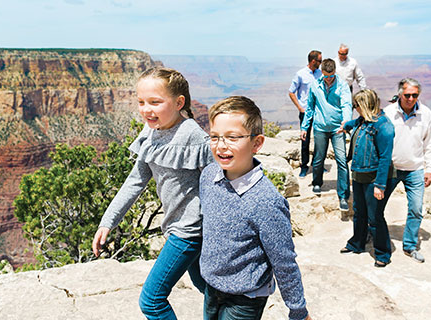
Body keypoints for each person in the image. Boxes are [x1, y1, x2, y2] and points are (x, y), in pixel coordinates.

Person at [92, 67, 215, 319]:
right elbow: (135, 180)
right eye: (141, 102)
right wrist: (108, 221)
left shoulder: (193, 136)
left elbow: (217, 183)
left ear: (179, 102)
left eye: (155, 102)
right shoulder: (150, 131)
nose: (147, 109)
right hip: (176, 227)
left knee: (152, 300)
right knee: (207, 288)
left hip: (190, 231)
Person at [200, 96, 311, 320]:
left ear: (257, 143)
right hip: (211, 288)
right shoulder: (208, 175)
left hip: (245, 298)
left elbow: (284, 261)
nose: (221, 145)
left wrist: (298, 311)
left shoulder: (266, 202)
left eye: (232, 137)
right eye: (214, 137)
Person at [338, 89, 395, 267]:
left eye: (357, 106)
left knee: (375, 217)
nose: (356, 109)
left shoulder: (384, 126)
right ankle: (357, 243)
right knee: (359, 212)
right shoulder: (364, 120)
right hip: (359, 174)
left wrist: (380, 185)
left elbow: (385, 158)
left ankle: (383, 253)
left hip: (373, 179)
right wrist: (345, 126)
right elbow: (353, 123)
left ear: (365, 106)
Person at [383, 78, 431, 263]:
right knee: (377, 206)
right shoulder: (388, 113)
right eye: (407, 95)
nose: (411, 98)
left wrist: (429, 169)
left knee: (416, 208)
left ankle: (410, 246)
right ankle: (373, 235)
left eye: (415, 95)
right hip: (391, 168)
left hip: (415, 169)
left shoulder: (426, 114)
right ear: (400, 94)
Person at [300, 58, 352, 212]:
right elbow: (310, 107)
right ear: (322, 73)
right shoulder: (315, 85)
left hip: (338, 128)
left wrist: (346, 122)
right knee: (318, 157)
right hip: (320, 127)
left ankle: (343, 195)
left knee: (342, 160)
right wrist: (304, 127)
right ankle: (317, 182)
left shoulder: (342, 85)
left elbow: (346, 105)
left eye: (331, 76)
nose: (329, 79)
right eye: (326, 76)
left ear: (335, 72)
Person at [289, 50, 323, 178]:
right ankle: (304, 166)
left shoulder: (320, 74)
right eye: (320, 61)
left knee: (320, 139)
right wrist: (300, 107)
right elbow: (291, 92)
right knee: (305, 139)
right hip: (306, 111)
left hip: (319, 111)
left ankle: (317, 165)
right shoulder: (300, 74)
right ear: (313, 61)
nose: (321, 63)